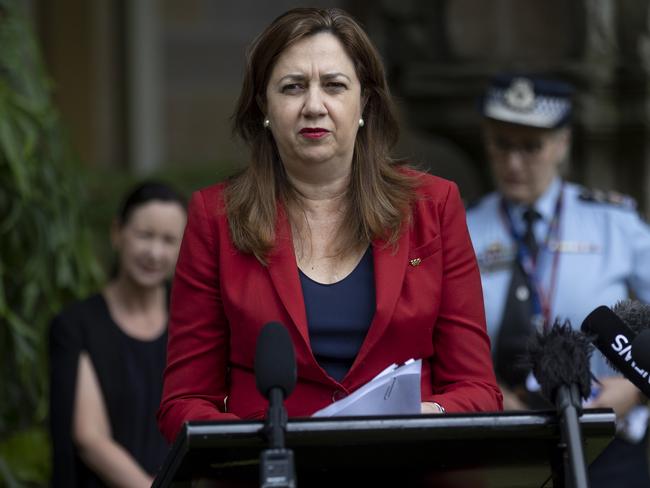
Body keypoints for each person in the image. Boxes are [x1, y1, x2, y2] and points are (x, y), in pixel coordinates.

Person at [157, 7, 502, 443]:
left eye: (335, 86)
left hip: (408, 466)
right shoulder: (215, 218)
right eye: (292, 87)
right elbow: (182, 405)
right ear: (264, 104)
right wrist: (270, 440)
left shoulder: (434, 206)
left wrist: (421, 415)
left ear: (365, 103)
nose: (313, 106)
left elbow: (479, 391)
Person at [466, 74, 650, 487]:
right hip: (500, 444)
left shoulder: (612, 223)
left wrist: (636, 389)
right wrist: (484, 392)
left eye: (532, 147)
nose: (514, 163)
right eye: (502, 144)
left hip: (606, 440)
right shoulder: (462, 227)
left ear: (562, 143)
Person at [49, 181, 187, 487]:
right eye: (144, 235)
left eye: (168, 240)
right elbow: (89, 437)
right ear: (117, 233)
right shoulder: (76, 325)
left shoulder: (191, 323)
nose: (154, 252)